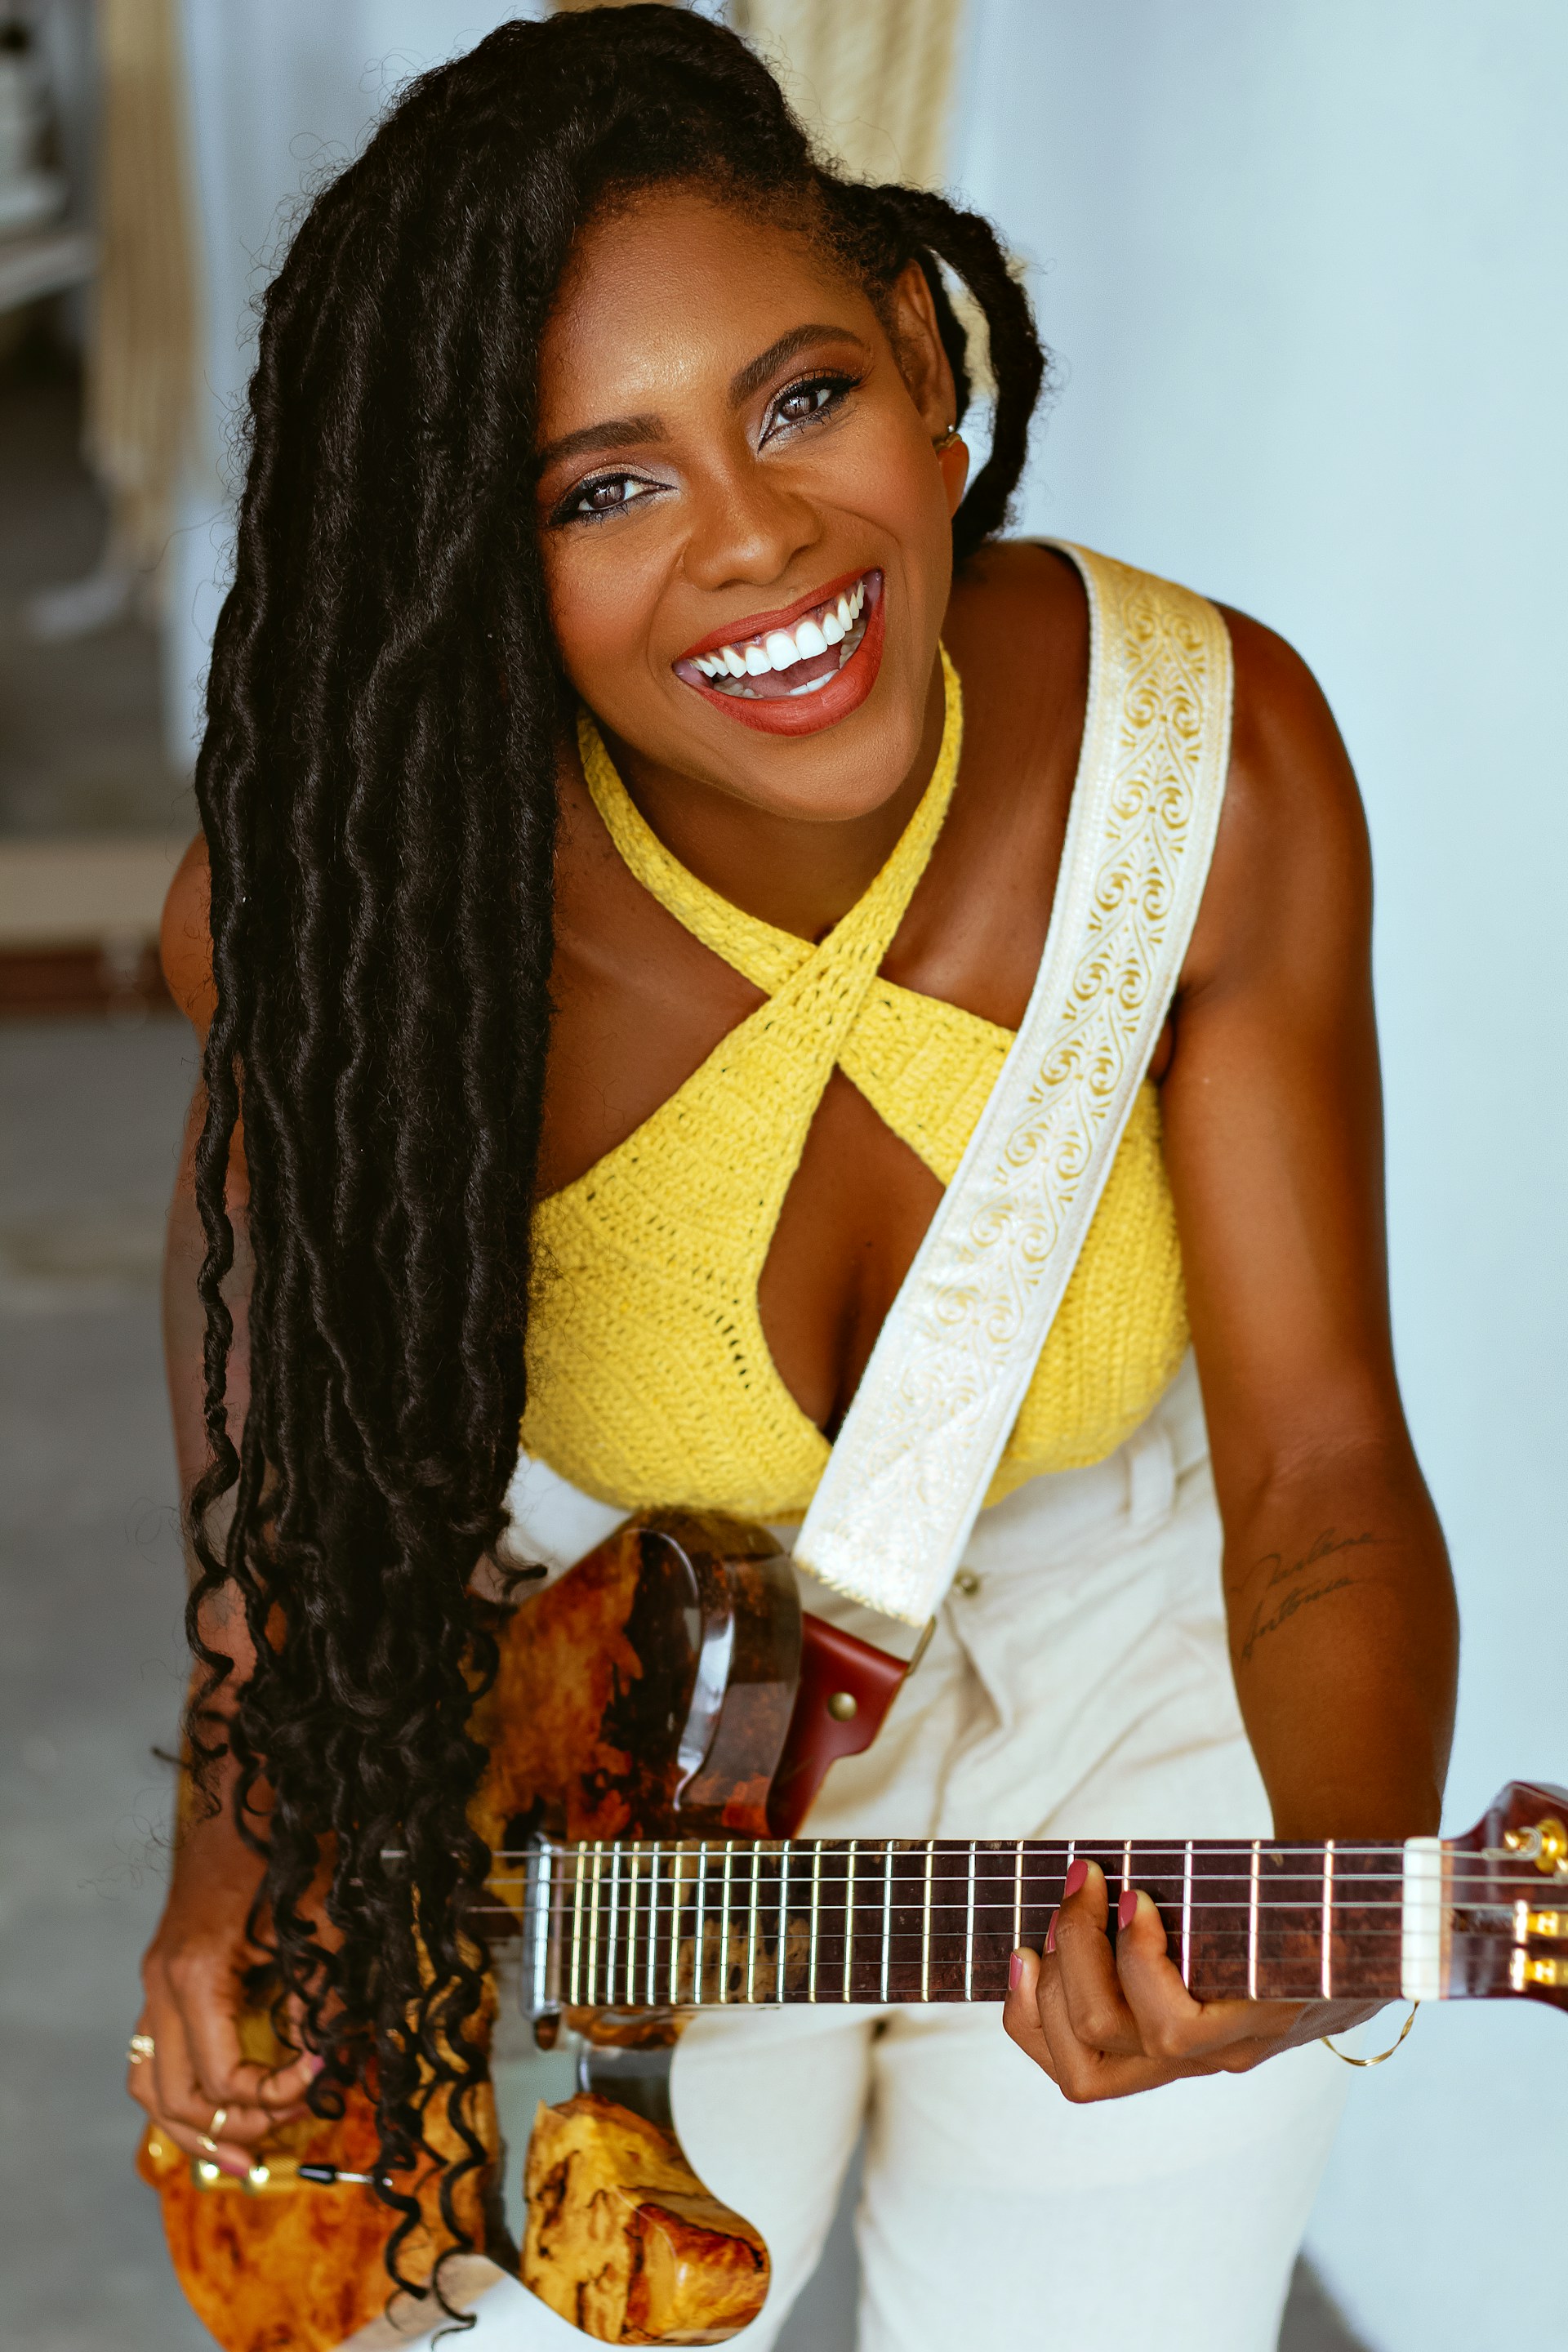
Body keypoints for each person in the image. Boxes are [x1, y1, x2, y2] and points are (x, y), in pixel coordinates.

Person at [130, 8, 1458, 2347]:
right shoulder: (382, 883)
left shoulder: (1206, 762)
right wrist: (246, 1802)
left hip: (1125, 1695)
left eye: (801, 395)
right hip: (600, 1717)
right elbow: (259, 1260)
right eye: (601, 485)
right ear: (490, 555)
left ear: (934, 381)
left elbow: (1328, 1471)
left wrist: (1310, 1921)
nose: (756, 537)